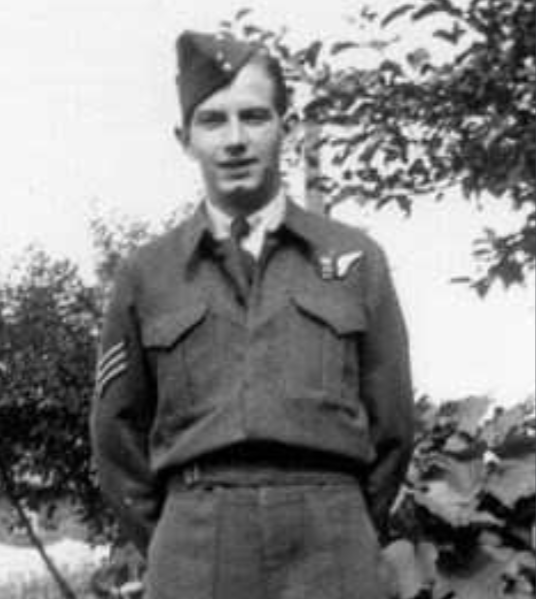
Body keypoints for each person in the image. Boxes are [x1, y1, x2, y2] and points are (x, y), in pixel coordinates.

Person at [90, 29, 414, 599]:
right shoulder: (147, 274)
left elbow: (392, 424)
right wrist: (173, 541)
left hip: (332, 538)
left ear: (286, 128)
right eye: (213, 121)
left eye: (255, 117)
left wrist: (345, 523)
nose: (235, 139)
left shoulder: (356, 258)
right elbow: (116, 435)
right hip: (196, 541)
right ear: (185, 139)